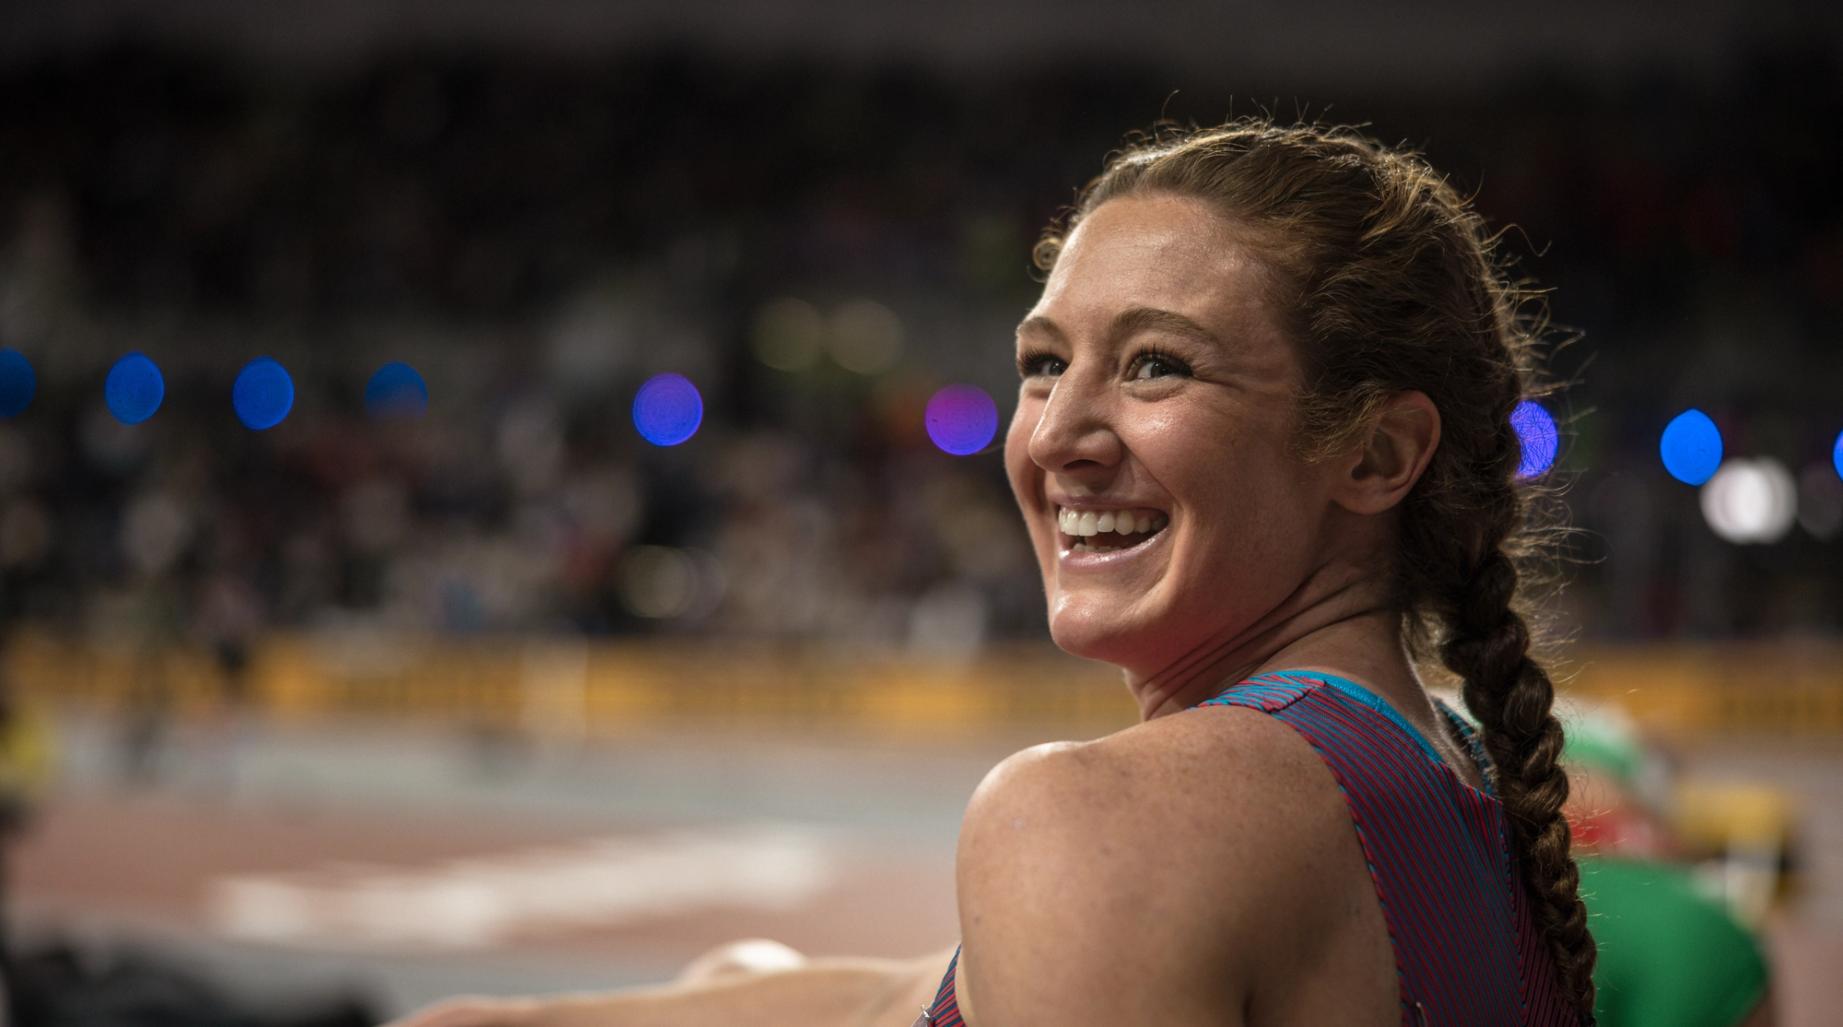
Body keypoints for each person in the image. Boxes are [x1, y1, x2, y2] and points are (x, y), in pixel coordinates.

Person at [388, 118, 1596, 1026]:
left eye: (1158, 366)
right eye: (1041, 364)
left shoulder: (1100, 818)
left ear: (1376, 452)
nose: (1054, 435)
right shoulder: (1463, 784)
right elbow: (905, 995)